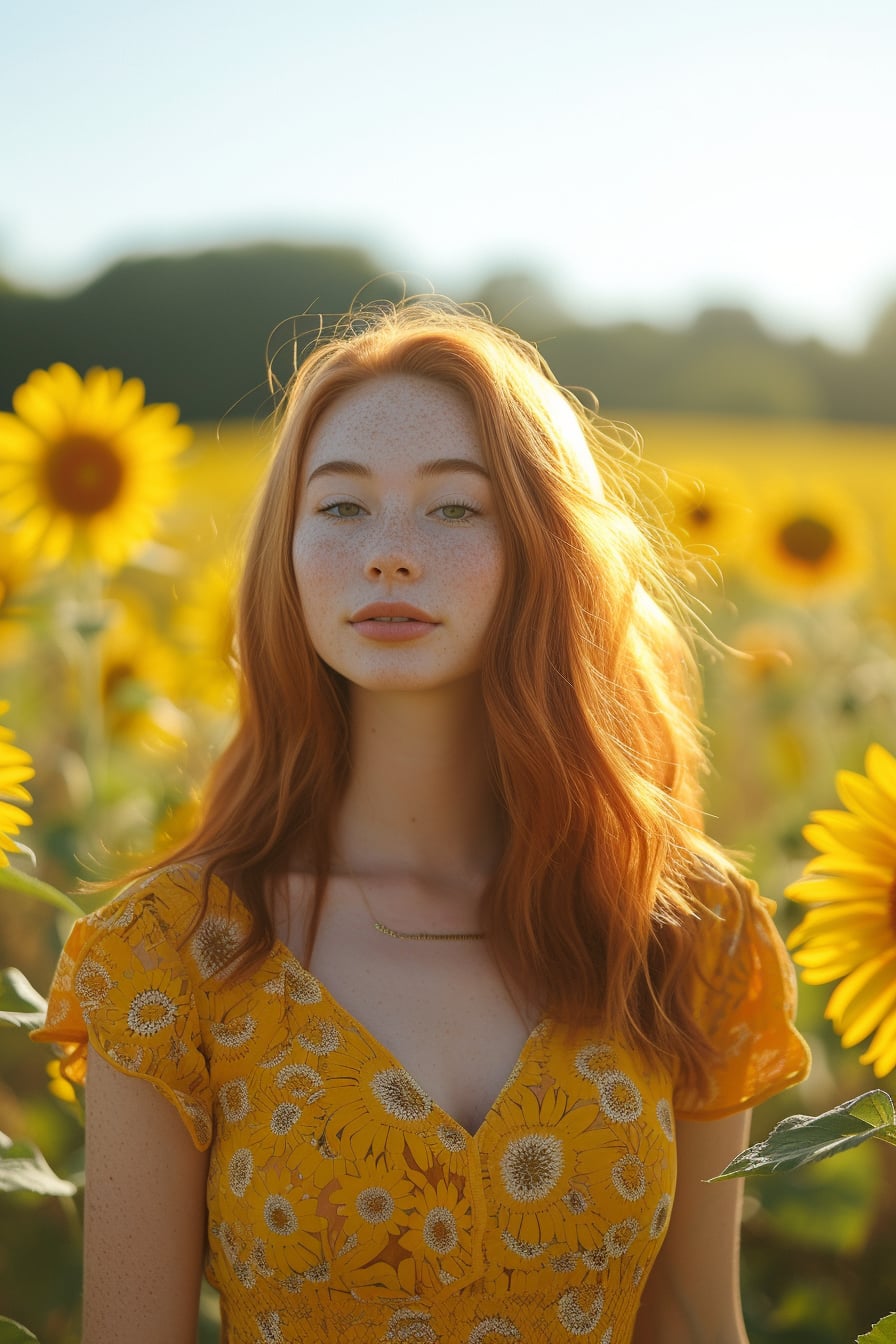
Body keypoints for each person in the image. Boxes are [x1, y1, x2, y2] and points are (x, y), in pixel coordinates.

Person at [32, 299, 810, 1344]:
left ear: (545, 547)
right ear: (287, 550)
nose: (389, 554)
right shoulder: (168, 960)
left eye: (453, 509)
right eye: (342, 508)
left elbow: (697, 1324)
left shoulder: (681, 929)